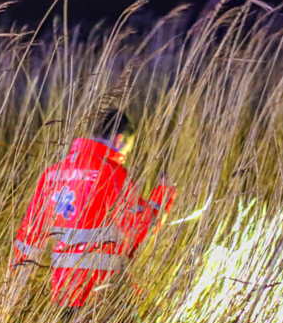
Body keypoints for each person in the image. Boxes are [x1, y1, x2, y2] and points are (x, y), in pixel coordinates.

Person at [11, 108, 175, 309]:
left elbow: (31, 232)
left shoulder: (53, 173)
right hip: (100, 290)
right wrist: (163, 196)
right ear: (119, 140)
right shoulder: (112, 173)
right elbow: (138, 228)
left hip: (62, 290)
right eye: (128, 148)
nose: (126, 154)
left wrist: (16, 280)